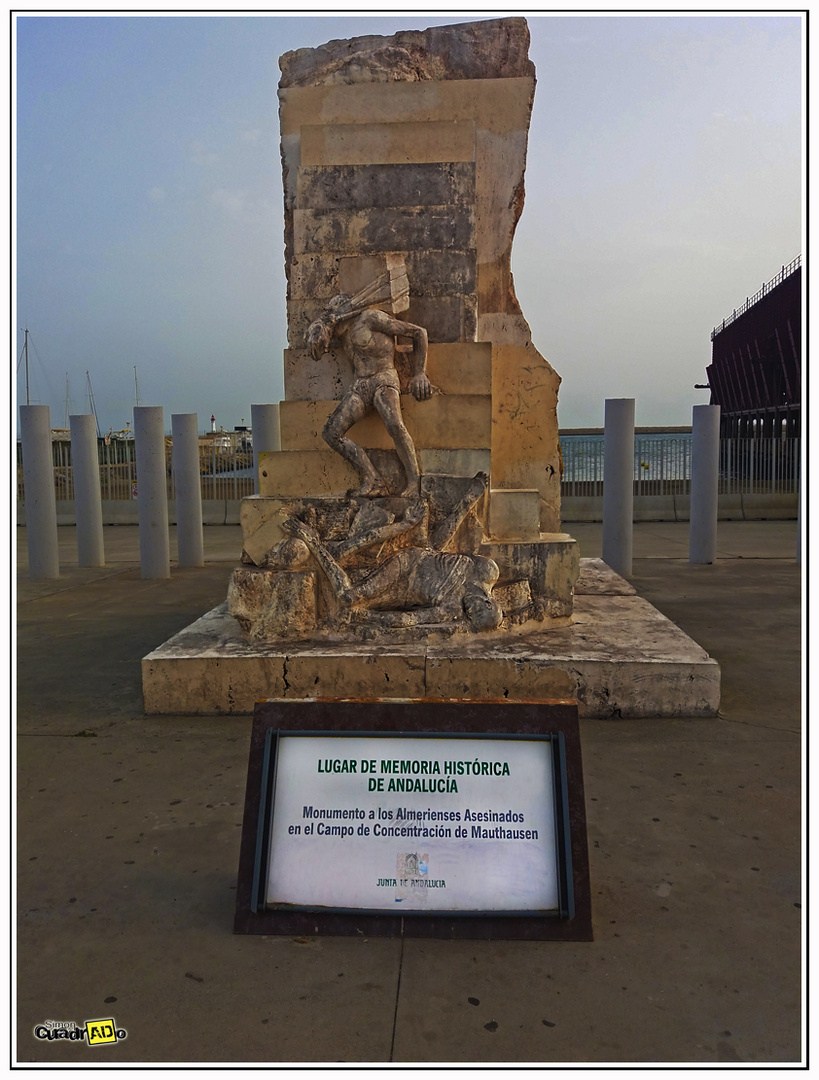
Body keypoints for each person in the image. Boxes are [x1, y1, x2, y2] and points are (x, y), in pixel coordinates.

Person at [307, 294, 432, 498]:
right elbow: (316, 333)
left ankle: (414, 482)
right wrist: (318, 335)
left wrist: (420, 373)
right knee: (331, 433)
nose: (329, 347)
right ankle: (373, 480)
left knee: (395, 426)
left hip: (384, 379)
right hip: (360, 385)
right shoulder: (338, 333)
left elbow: (419, 333)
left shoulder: (370, 319)